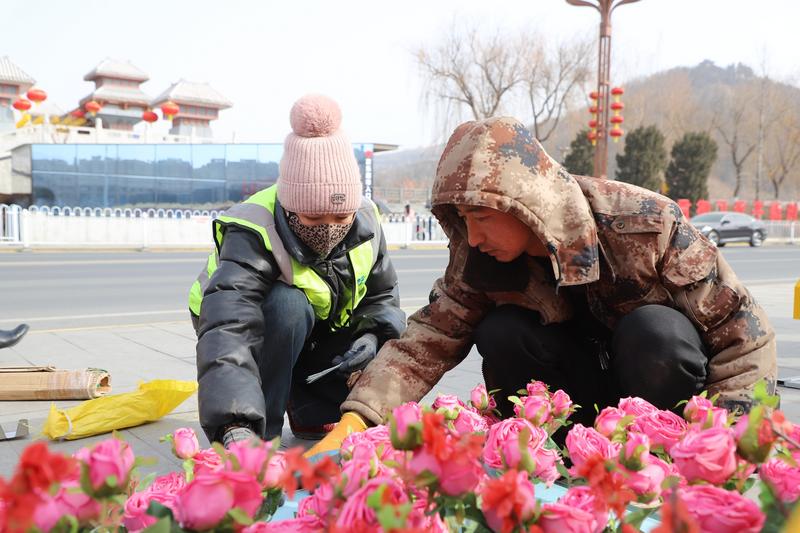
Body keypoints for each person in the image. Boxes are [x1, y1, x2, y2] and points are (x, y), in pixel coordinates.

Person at [307, 115, 777, 455]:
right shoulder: (480, 257)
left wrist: (728, 441)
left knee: (655, 331)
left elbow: (742, 336)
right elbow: (427, 339)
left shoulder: (643, 225)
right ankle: (557, 454)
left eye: (482, 217)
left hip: (658, 402)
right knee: (502, 331)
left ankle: (658, 455)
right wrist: (357, 421)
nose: (473, 237)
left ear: (523, 204)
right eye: (464, 220)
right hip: (575, 403)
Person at [190, 95, 405, 448]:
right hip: (240, 318)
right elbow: (229, 328)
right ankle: (259, 430)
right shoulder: (254, 227)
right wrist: (235, 423)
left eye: (341, 217)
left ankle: (310, 410)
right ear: (289, 208)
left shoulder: (366, 220)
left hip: (319, 317)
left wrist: (372, 336)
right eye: (313, 218)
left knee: (323, 320)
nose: (330, 228)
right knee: (288, 306)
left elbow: (382, 297)